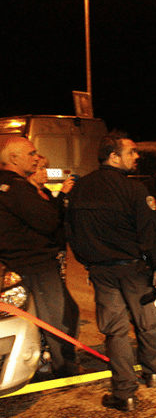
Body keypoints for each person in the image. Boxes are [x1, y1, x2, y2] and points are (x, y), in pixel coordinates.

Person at [67, 135, 156, 412]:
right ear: (114, 157)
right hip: (135, 269)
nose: (137, 157)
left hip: (102, 271)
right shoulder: (134, 189)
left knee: (115, 331)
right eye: (131, 152)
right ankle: (152, 372)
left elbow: (72, 232)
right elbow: (150, 232)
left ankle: (124, 392)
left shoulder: (79, 189)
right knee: (146, 320)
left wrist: (88, 261)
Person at [0, 137, 81, 379]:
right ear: (14, 158)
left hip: (15, 262)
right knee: (61, 316)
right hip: (36, 264)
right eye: (32, 153)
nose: (36, 158)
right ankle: (65, 369)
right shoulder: (17, 187)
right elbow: (47, 221)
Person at [28, 155, 76, 284]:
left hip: (57, 247)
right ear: (31, 172)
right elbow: (50, 215)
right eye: (41, 168)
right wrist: (62, 194)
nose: (46, 172)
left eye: (46, 168)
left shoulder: (46, 192)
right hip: (44, 251)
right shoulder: (30, 194)